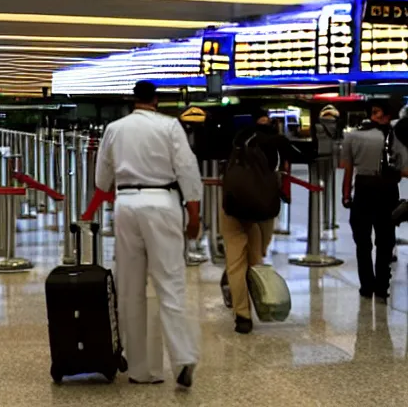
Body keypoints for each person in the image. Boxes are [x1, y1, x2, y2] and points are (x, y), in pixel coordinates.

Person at [95, 80, 202, 389]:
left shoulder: (114, 129)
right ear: (156, 99)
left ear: (133, 100)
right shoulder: (170, 127)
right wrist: (193, 214)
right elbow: (186, 169)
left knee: (130, 288)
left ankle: (141, 370)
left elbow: (101, 181)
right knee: (170, 283)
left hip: (126, 204)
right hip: (163, 203)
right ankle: (183, 358)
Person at [220, 108, 293, 334]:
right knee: (256, 257)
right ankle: (245, 295)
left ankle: (242, 316)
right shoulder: (276, 140)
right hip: (262, 205)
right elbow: (302, 155)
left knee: (235, 262)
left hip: (233, 205)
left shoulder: (238, 139)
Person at [341, 98, 407, 303]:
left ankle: (366, 286)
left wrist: (345, 195)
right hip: (387, 191)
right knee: (385, 241)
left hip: (363, 190)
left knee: (363, 241)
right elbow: (404, 170)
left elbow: (348, 169)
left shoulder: (353, 136)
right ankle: (381, 287)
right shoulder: (397, 138)